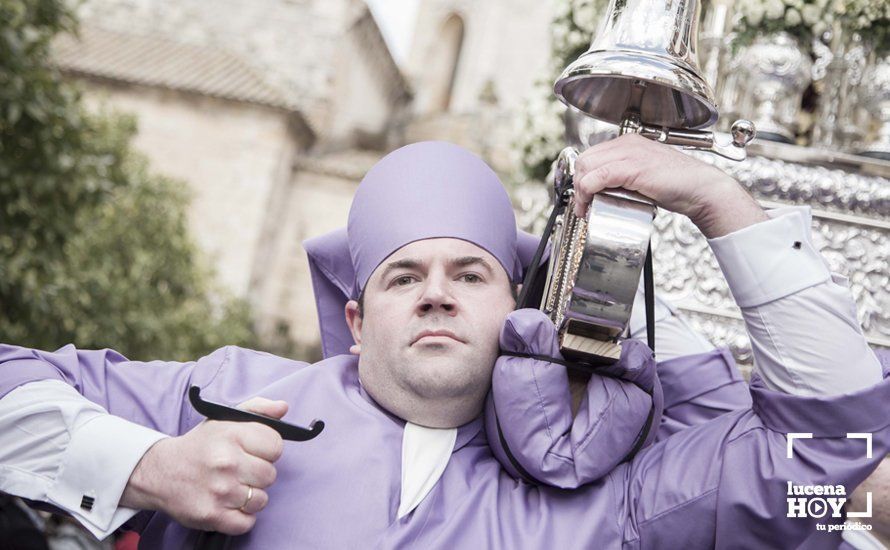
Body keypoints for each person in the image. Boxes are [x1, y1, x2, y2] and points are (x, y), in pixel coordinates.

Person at [0, 138, 887, 548]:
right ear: (354, 320)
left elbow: (828, 475)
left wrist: (717, 202)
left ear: (519, 308)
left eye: (470, 275)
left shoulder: (614, 501)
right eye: (401, 276)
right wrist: (147, 466)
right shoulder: (228, 397)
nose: (434, 294)